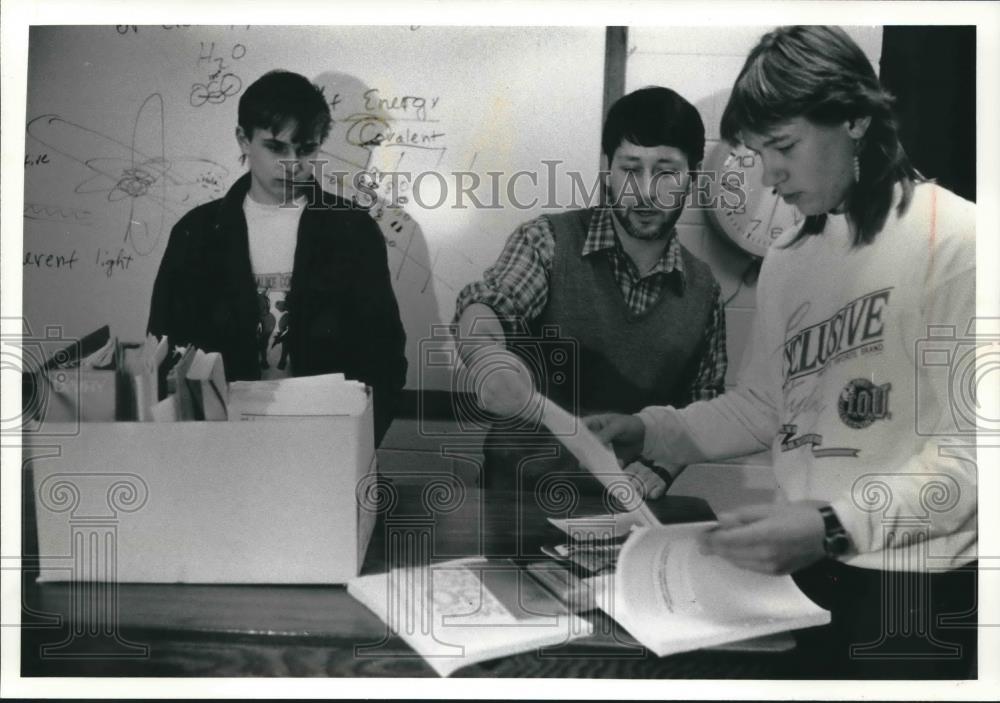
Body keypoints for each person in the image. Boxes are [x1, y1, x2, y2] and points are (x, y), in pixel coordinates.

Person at [589, 26, 977, 678]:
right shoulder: (791, 258)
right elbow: (765, 405)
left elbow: (975, 461)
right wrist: (653, 429)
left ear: (855, 118)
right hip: (805, 577)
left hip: (921, 595)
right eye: (757, 151)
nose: (768, 176)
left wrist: (831, 523)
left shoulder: (962, 242)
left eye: (784, 147)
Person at [454, 86, 727, 500]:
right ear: (606, 169)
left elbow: (705, 403)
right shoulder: (546, 241)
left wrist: (664, 464)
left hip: (626, 508)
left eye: (667, 170)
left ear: (694, 174)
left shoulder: (703, 288)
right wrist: (488, 357)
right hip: (517, 499)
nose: (647, 190)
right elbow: (491, 302)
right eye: (630, 169)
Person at [148, 70, 407, 445]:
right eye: (275, 147)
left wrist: (355, 445)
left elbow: (385, 359)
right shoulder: (196, 233)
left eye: (305, 149)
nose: (292, 164)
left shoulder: (354, 231)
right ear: (243, 139)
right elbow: (165, 352)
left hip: (327, 444)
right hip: (217, 449)